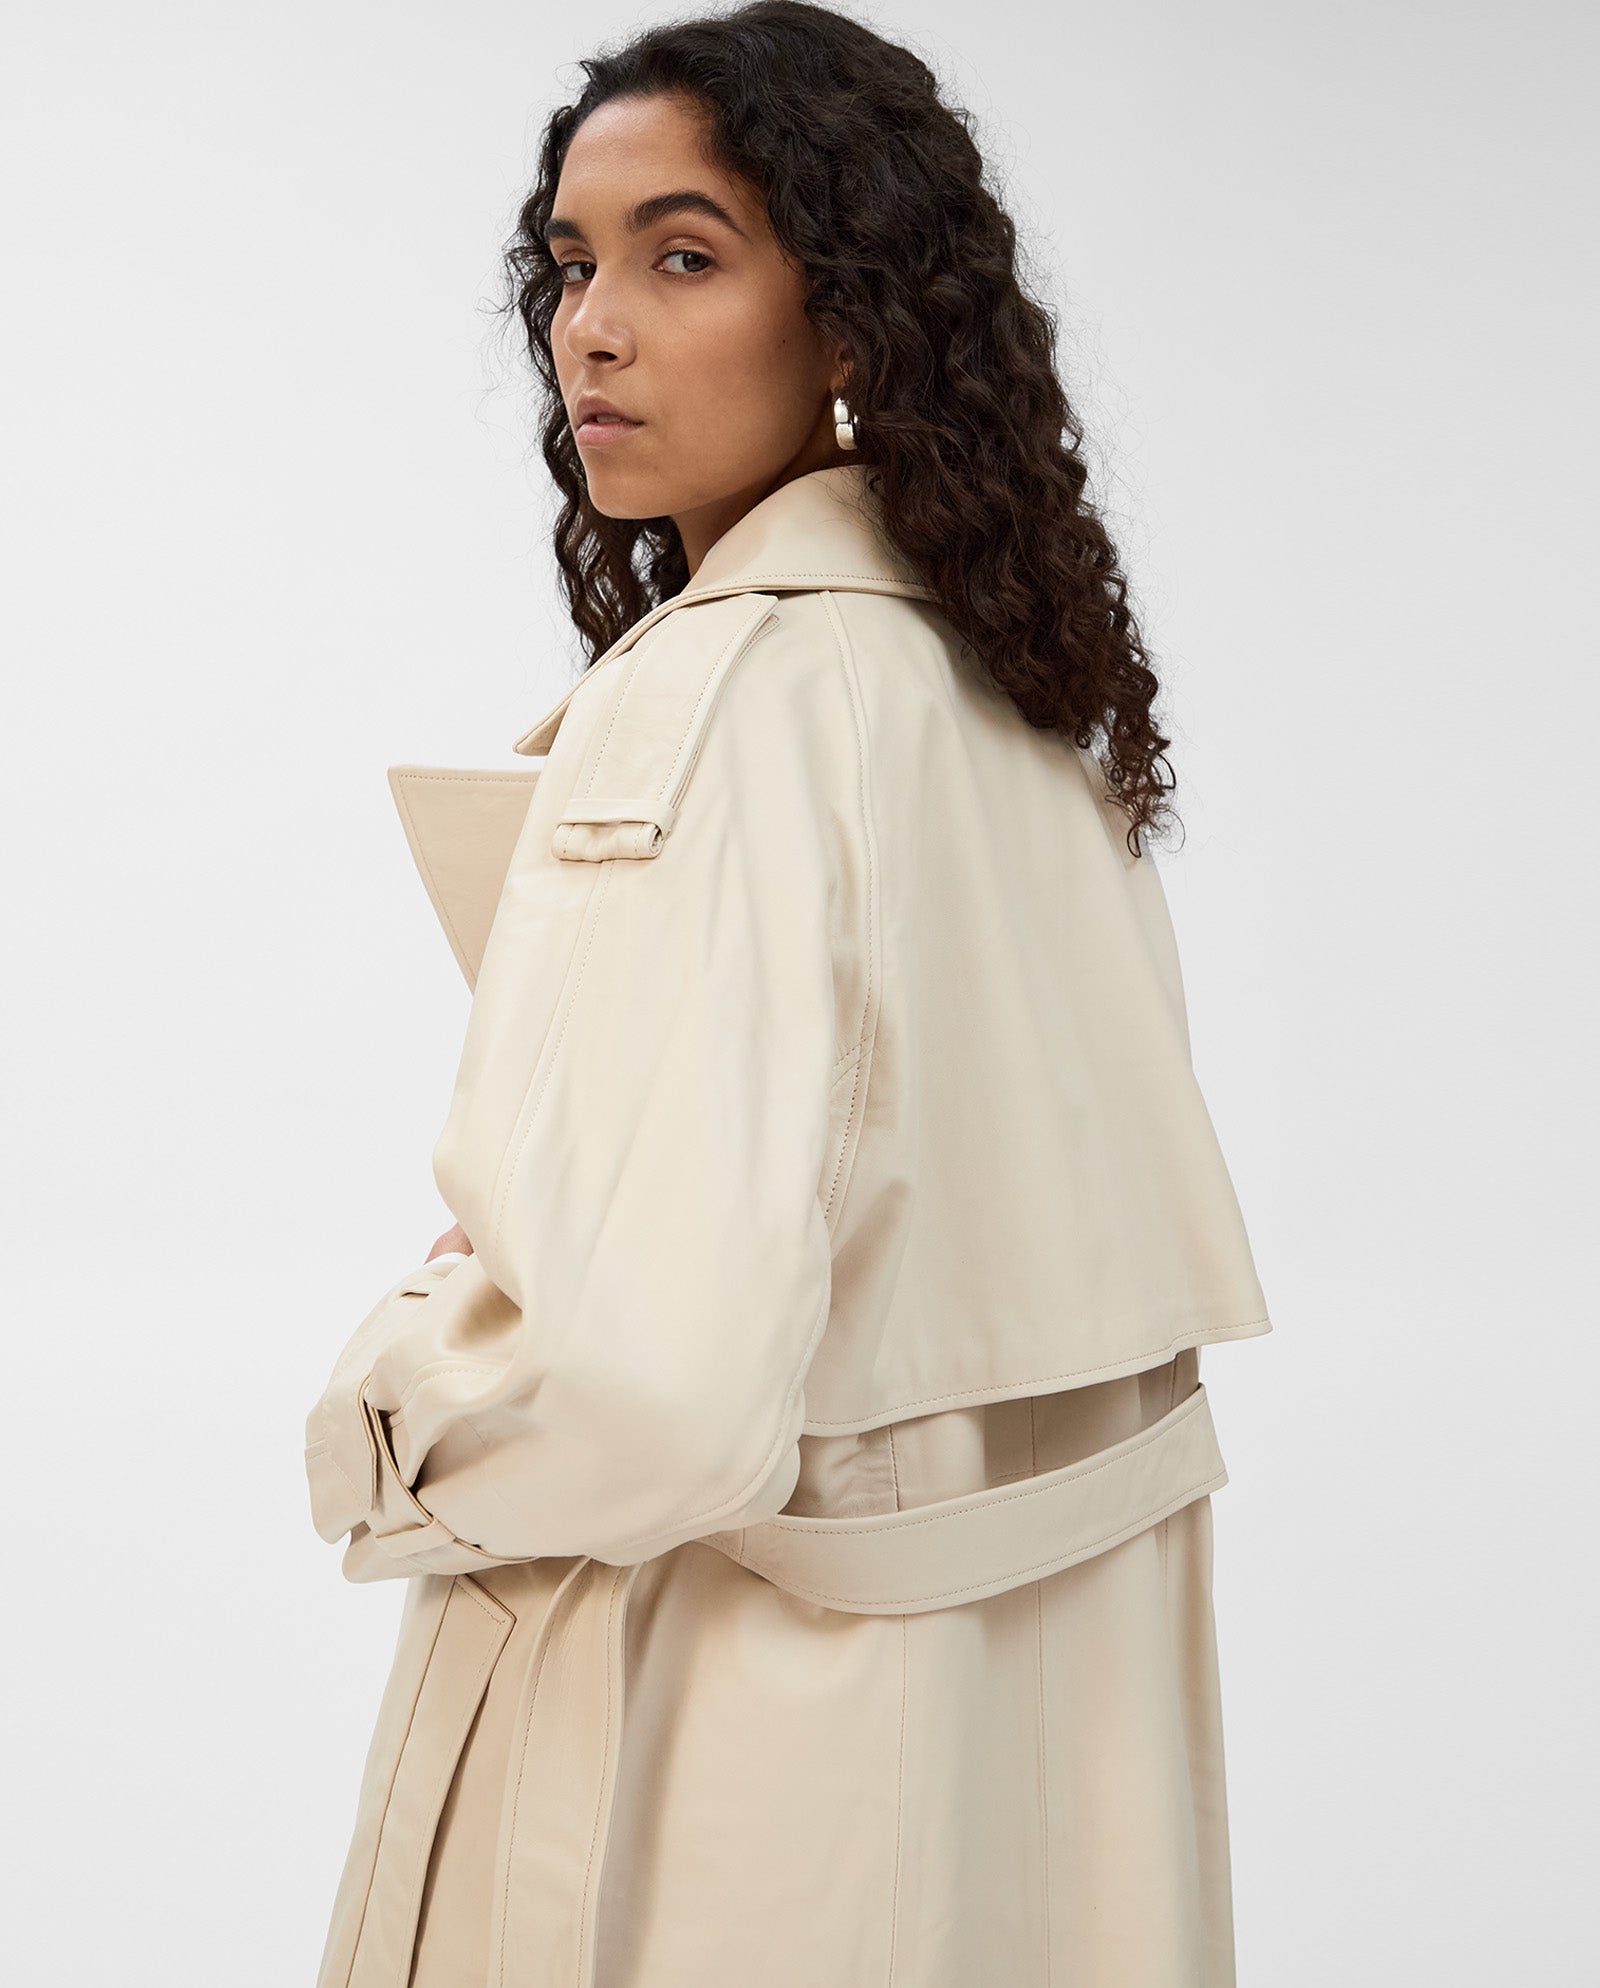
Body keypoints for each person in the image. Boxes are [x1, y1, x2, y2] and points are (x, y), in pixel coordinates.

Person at [302, 5, 1274, 1983]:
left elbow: (654, 1390)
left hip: (727, 1785)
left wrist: (400, 1392)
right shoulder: (1006, 692)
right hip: (1015, 1773)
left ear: (851, 320)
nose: (591, 327)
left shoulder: (719, 692)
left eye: (681, 256)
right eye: (568, 266)